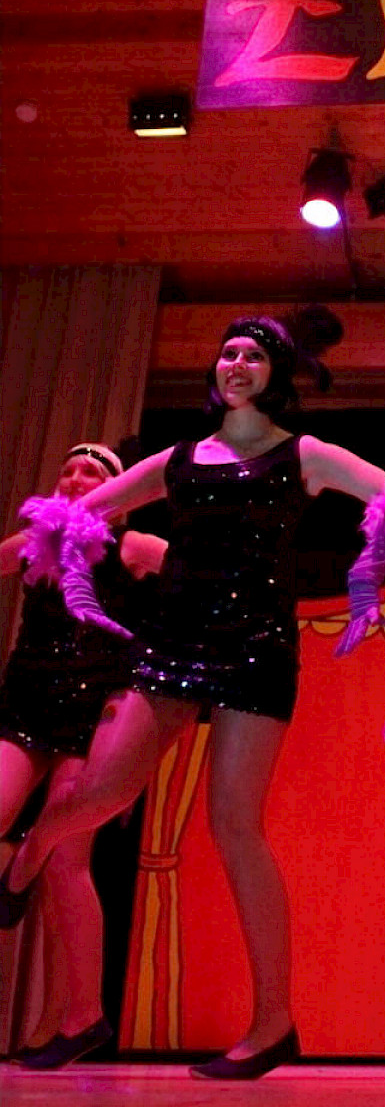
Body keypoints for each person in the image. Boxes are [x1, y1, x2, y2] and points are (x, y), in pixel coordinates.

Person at [0, 310, 385, 1080]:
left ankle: (273, 1025)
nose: (235, 362)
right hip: (172, 645)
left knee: (235, 828)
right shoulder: (178, 460)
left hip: (255, 650)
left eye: (252, 354)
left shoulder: (304, 454)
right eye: (227, 352)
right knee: (101, 792)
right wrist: (46, 535)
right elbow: (79, 514)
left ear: (275, 373)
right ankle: (32, 851)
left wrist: (376, 557)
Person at [0, 443, 165, 1068]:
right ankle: (18, 867)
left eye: (90, 472)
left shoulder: (132, 546)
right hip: (25, 701)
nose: (74, 478)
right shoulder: (34, 543)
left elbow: (203, 577)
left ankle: (83, 1016)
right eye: (66, 470)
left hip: (94, 709)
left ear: (117, 492)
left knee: (68, 863)